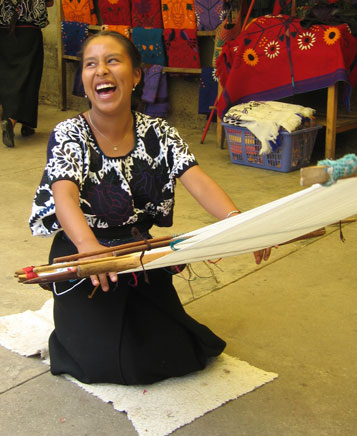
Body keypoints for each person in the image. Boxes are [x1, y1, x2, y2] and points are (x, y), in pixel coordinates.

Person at [29, 31, 271, 385]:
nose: (101, 72)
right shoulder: (70, 133)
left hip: (135, 251)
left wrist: (237, 223)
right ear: (83, 78)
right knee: (105, 361)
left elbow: (196, 178)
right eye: (90, 64)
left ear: (136, 75)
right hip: (85, 255)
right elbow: (63, 195)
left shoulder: (159, 132)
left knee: (176, 352)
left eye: (113, 61)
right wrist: (88, 249)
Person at [0, 0, 53, 148]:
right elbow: (49, 3)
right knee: (29, 78)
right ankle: (11, 120)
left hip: (3, 32)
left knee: (8, 78)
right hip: (29, 31)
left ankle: (26, 123)